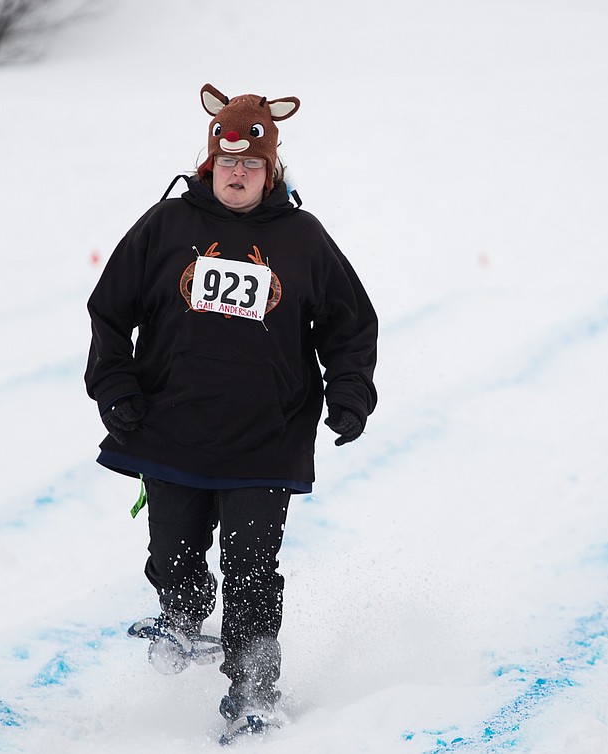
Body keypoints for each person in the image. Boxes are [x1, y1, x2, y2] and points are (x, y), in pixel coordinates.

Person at [84, 83, 378, 741]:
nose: (236, 173)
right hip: (171, 429)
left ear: (270, 171)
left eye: (250, 164)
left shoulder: (303, 238)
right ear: (209, 163)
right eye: (226, 162)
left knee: (251, 569)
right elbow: (109, 311)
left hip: (265, 439)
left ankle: (252, 693)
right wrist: (115, 386)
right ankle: (186, 618)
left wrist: (350, 393)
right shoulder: (166, 225)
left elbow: (350, 324)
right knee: (173, 551)